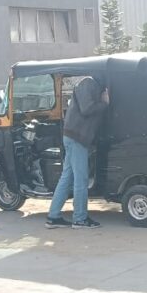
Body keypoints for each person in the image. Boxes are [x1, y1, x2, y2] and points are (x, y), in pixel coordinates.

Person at [46, 76, 109, 229]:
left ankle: (53, 217)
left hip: (74, 136)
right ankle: (80, 218)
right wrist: (104, 103)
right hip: (77, 138)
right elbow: (86, 109)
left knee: (67, 177)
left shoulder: (90, 84)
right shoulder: (88, 83)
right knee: (81, 179)